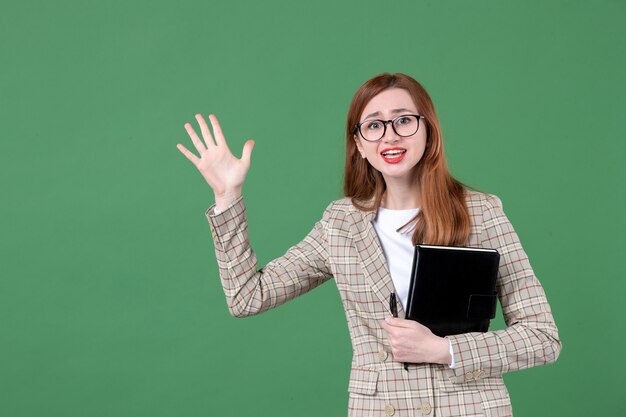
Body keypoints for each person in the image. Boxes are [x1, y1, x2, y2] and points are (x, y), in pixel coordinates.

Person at [176, 73, 561, 416]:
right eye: (374, 126)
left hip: (469, 407)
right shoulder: (340, 223)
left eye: (404, 121)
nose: (390, 135)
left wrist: (444, 350)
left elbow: (542, 337)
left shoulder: (480, 212)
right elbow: (247, 297)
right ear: (359, 144)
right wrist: (228, 198)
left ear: (429, 132)